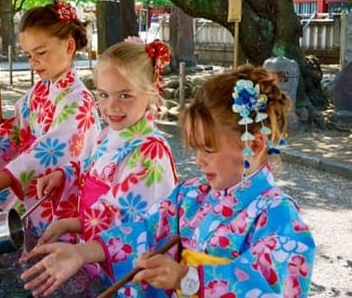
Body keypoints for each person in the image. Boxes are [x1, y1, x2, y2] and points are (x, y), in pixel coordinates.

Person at [19, 64, 316, 297]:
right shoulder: (191, 195)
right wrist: (82, 252)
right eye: (196, 149)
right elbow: (144, 232)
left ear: (254, 145)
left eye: (208, 150)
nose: (199, 161)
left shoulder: (278, 216)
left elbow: (274, 290)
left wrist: (187, 279)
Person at [0, 0, 101, 241]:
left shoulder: (78, 100)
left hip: (62, 201)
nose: (34, 62)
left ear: (69, 46)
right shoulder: (41, 90)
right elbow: (17, 126)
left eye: (41, 53)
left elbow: (45, 152)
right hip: (39, 196)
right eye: (29, 55)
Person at [34, 41, 178, 278]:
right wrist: (64, 175)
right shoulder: (108, 134)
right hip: (96, 250)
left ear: (151, 90)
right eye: (103, 95)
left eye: (125, 95)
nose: (112, 107)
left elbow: (130, 221)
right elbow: (91, 167)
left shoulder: (151, 152)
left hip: (128, 265)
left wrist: (70, 225)